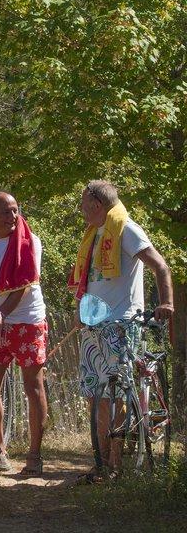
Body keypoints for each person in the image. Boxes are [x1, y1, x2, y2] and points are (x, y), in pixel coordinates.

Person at [70, 180, 175, 482]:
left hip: (121, 324)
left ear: (98, 205)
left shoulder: (127, 229)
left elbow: (161, 266)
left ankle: (113, 464)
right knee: (96, 395)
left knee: (117, 393)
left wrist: (166, 302)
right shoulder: (94, 233)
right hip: (93, 326)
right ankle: (102, 464)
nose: (80, 209)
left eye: (83, 203)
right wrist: (80, 312)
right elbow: (88, 280)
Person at [0, 192, 49, 476]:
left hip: (27, 321)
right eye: (5, 212)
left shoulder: (30, 241)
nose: (12, 217)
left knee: (33, 387)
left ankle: (35, 455)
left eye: (15, 210)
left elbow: (22, 287)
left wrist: (1, 313)